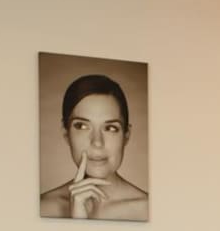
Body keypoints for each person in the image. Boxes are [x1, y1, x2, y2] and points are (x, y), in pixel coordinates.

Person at [39, 74, 148, 221]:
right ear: (66, 133)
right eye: (82, 126)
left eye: (110, 128)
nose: (97, 142)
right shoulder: (42, 207)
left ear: (126, 135)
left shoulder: (150, 210)